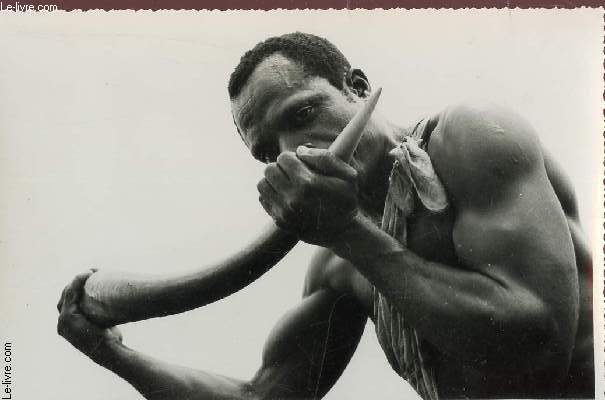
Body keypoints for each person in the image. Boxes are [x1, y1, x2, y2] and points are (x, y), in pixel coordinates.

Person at [56, 32, 594, 399]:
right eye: (269, 152)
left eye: (303, 114)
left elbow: (539, 352)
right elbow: (265, 396)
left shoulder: (469, 137)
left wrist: (346, 230)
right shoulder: (338, 266)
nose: (295, 152)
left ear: (356, 88)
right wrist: (110, 354)